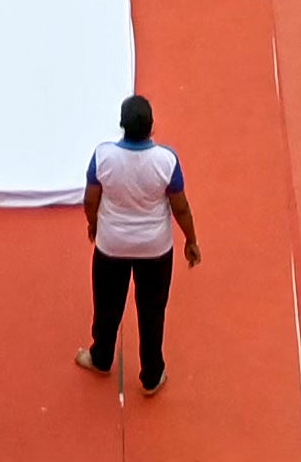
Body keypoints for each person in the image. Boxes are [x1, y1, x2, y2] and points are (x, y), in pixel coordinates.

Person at [81, 90, 199, 395]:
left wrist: (94, 224)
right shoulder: (165, 161)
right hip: (155, 250)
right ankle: (151, 376)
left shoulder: (103, 156)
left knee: (107, 306)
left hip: (111, 246)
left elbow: (90, 199)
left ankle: (101, 357)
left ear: (121, 125)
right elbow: (180, 207)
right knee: (152, 311)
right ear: (151, 126)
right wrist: (191, 240)